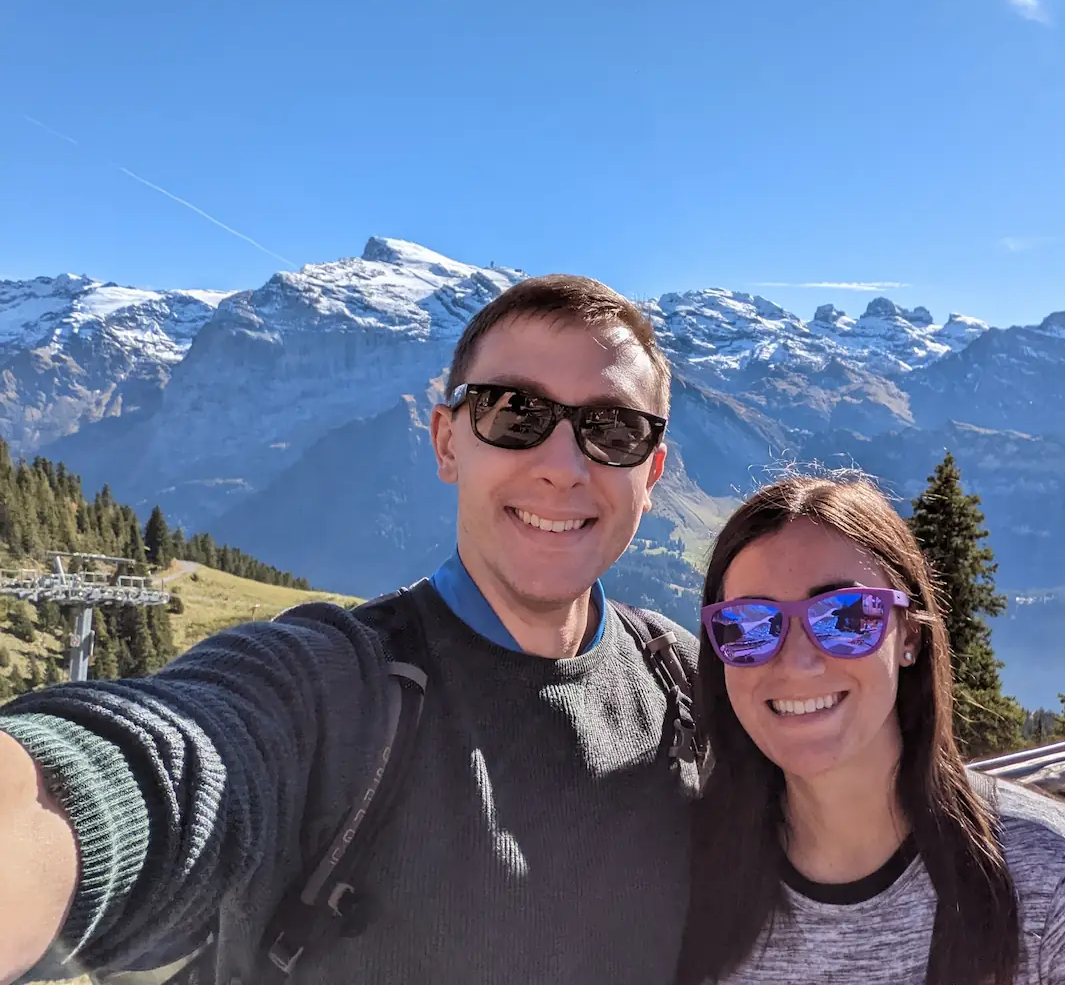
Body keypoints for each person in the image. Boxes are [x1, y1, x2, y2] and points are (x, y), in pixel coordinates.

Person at [0, 275, 701, 985]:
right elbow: (150, 767)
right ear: (447, 441)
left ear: (652, 474)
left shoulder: (687, 683)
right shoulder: (333, 690)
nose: (562, 466)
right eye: (514, 412)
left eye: (613, 430)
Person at [676, 472, 1065, 985]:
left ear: (910, 634)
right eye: (750, 625)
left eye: (846, 616)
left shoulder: (1062, 884)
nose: (799, 661)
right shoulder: (681, 875)